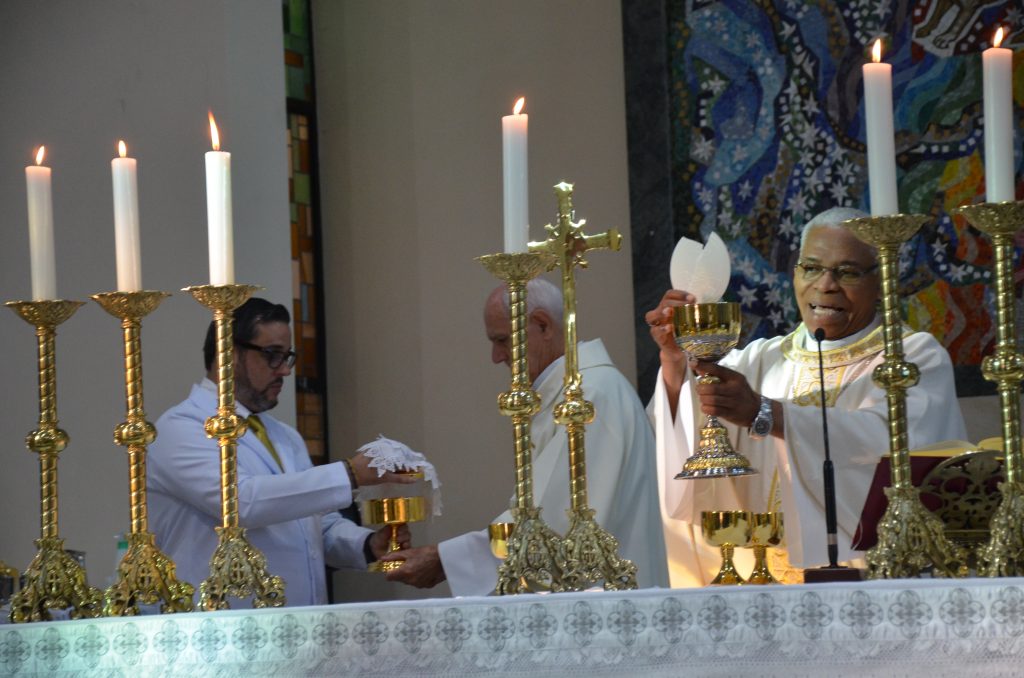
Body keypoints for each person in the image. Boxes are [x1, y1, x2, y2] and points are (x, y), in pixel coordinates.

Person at [646, 207, 968, 586]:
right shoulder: (759, 360)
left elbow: (893, 450)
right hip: (756, 585)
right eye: (812, 268)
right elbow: (678, 446)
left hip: (863, 583)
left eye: (847, 272)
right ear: (795, 273)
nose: (826, 285)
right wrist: (674, 360)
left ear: (882, 279)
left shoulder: (910, 357)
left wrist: (768, 414)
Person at [380, 279, 669, 593]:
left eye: (502, 340)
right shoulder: (575, 390)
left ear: (543, 325)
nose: (496, 356)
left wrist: (445, 560)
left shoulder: (589, 396)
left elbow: (551, 524)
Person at [148, 298, 410, 607]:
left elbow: (315, 526)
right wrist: (350, 473)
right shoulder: (180, 427)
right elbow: (241, 503)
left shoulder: (284, 435)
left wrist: (367, 544)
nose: (285, 370)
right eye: (272, 355)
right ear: (229, 355)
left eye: (287, 357)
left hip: (301, 621)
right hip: (220, 621)